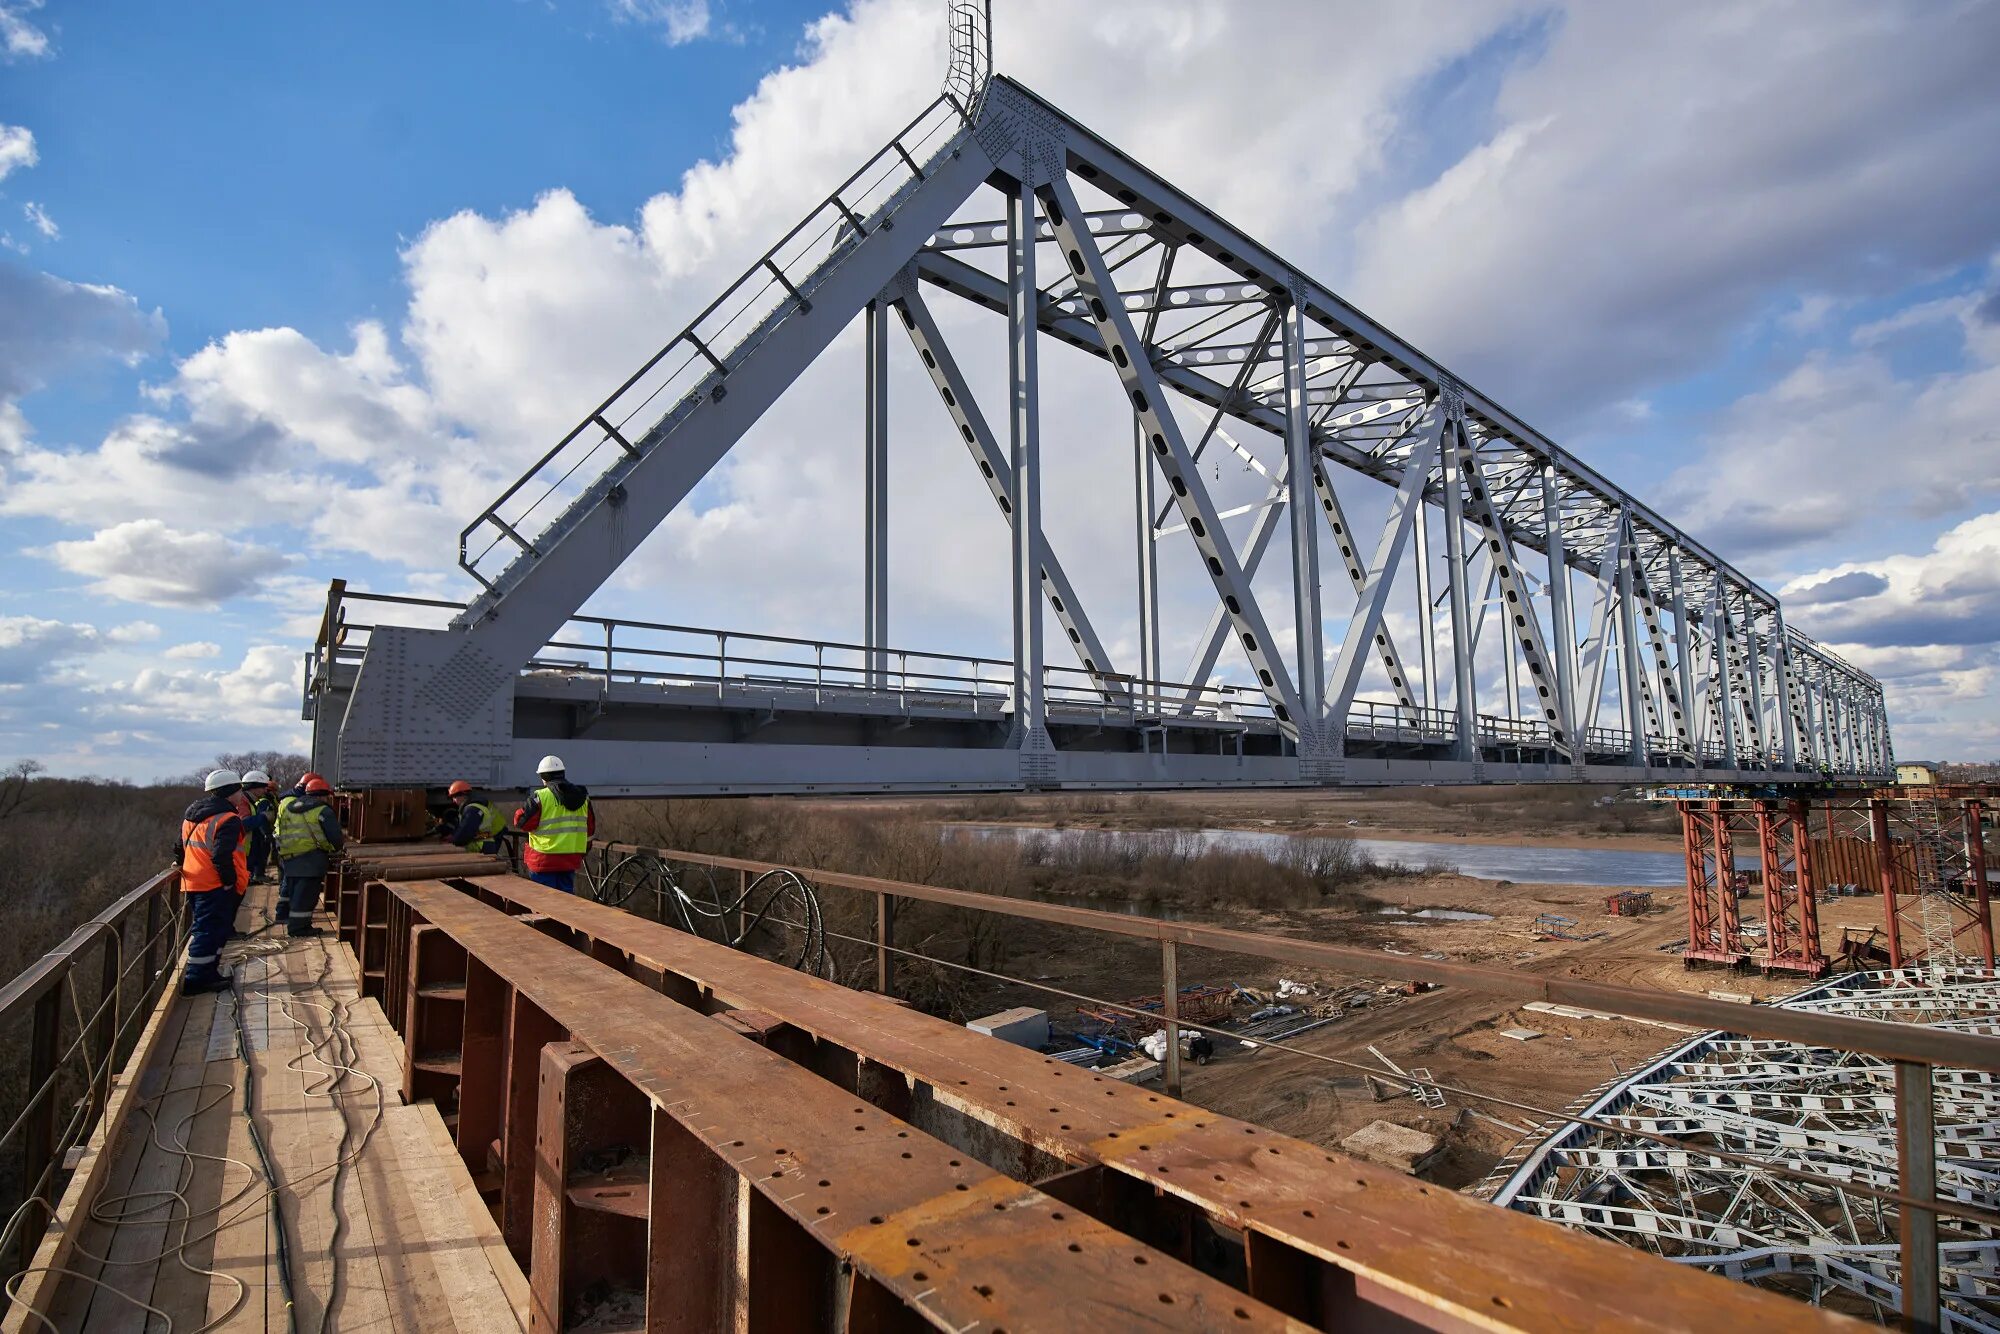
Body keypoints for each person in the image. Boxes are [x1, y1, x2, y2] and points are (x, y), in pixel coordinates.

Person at [179, 769, 247, 994]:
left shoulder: (193, 815)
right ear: (231, 793)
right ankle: (196, 979)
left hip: (193, 881)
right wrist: (229, 882)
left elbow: (179, 847)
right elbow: (221, 855)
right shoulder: (228, 819)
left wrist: (179, 863)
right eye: (239, 790)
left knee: (214, 930)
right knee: (209, 931)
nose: (241, 795)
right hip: (214, 884)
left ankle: (209, 974)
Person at [274, 775, 344, 936]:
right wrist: (335, 849)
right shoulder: (322, 810)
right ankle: (299, 929)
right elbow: (335, 837)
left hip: (289, 857)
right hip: (311, 859)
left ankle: (293, 922)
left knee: (294, 893)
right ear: (322, 795)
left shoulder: (290, 807)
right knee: (306, 896)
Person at [513, 755, 593, 893]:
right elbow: (590, 828)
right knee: (566, 901)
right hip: (570, 858)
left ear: (543, 776)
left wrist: (521, 811)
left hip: (544, 859)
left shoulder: (540, 797)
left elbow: (522, 823)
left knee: (544, 901)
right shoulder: (583, 797)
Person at [442, 779, 509, 854]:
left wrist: (454, 840)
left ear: (463, 795)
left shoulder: (473, 809)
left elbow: (466, 831)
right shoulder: (476, 805)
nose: (453, 801)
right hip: (488, 839)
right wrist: (454, 836)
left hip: (484, 844)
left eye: (454, 797)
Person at [240, 769, 278, 885]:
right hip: (241, 850)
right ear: (253, 787)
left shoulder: (250, 801)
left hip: (246, 849)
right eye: (262, 787)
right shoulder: (242, 801)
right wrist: (264, 817)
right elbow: (243, 824)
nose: (265, 790)